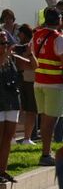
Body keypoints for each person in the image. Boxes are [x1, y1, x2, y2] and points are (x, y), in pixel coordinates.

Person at [31, 8, 63, 166]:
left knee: (44, 121)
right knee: (50, 122)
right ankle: (46, 154)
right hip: (54, 84)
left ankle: (46, 151)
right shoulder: (59, 37)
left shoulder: (37, 34)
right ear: (59, 20)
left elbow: (33, 54)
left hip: (38, 82)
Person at [0, 33, 29, 181]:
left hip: (11, 102)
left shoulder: (11, 59)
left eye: (6, 43)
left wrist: (30, 52)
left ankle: (3, 170)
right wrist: (6, 54)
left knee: (8, 138)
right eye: (2, 43)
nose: (6, 46)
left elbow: (33, 65)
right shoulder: (4, 58)